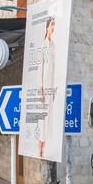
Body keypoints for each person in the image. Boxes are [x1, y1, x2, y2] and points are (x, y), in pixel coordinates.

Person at [37, 17, 56, 158]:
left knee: (49, 115)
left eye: (54, 24)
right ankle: (40, 145)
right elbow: (40, 68)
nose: (53, 27)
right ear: (47, 27)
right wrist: (40, 89)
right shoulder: (43, 45)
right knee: (43, 117)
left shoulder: (53, 44)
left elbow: (54, 68)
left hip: (51, 86)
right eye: (52, 24)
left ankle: (45, 145)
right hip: (44, 86)